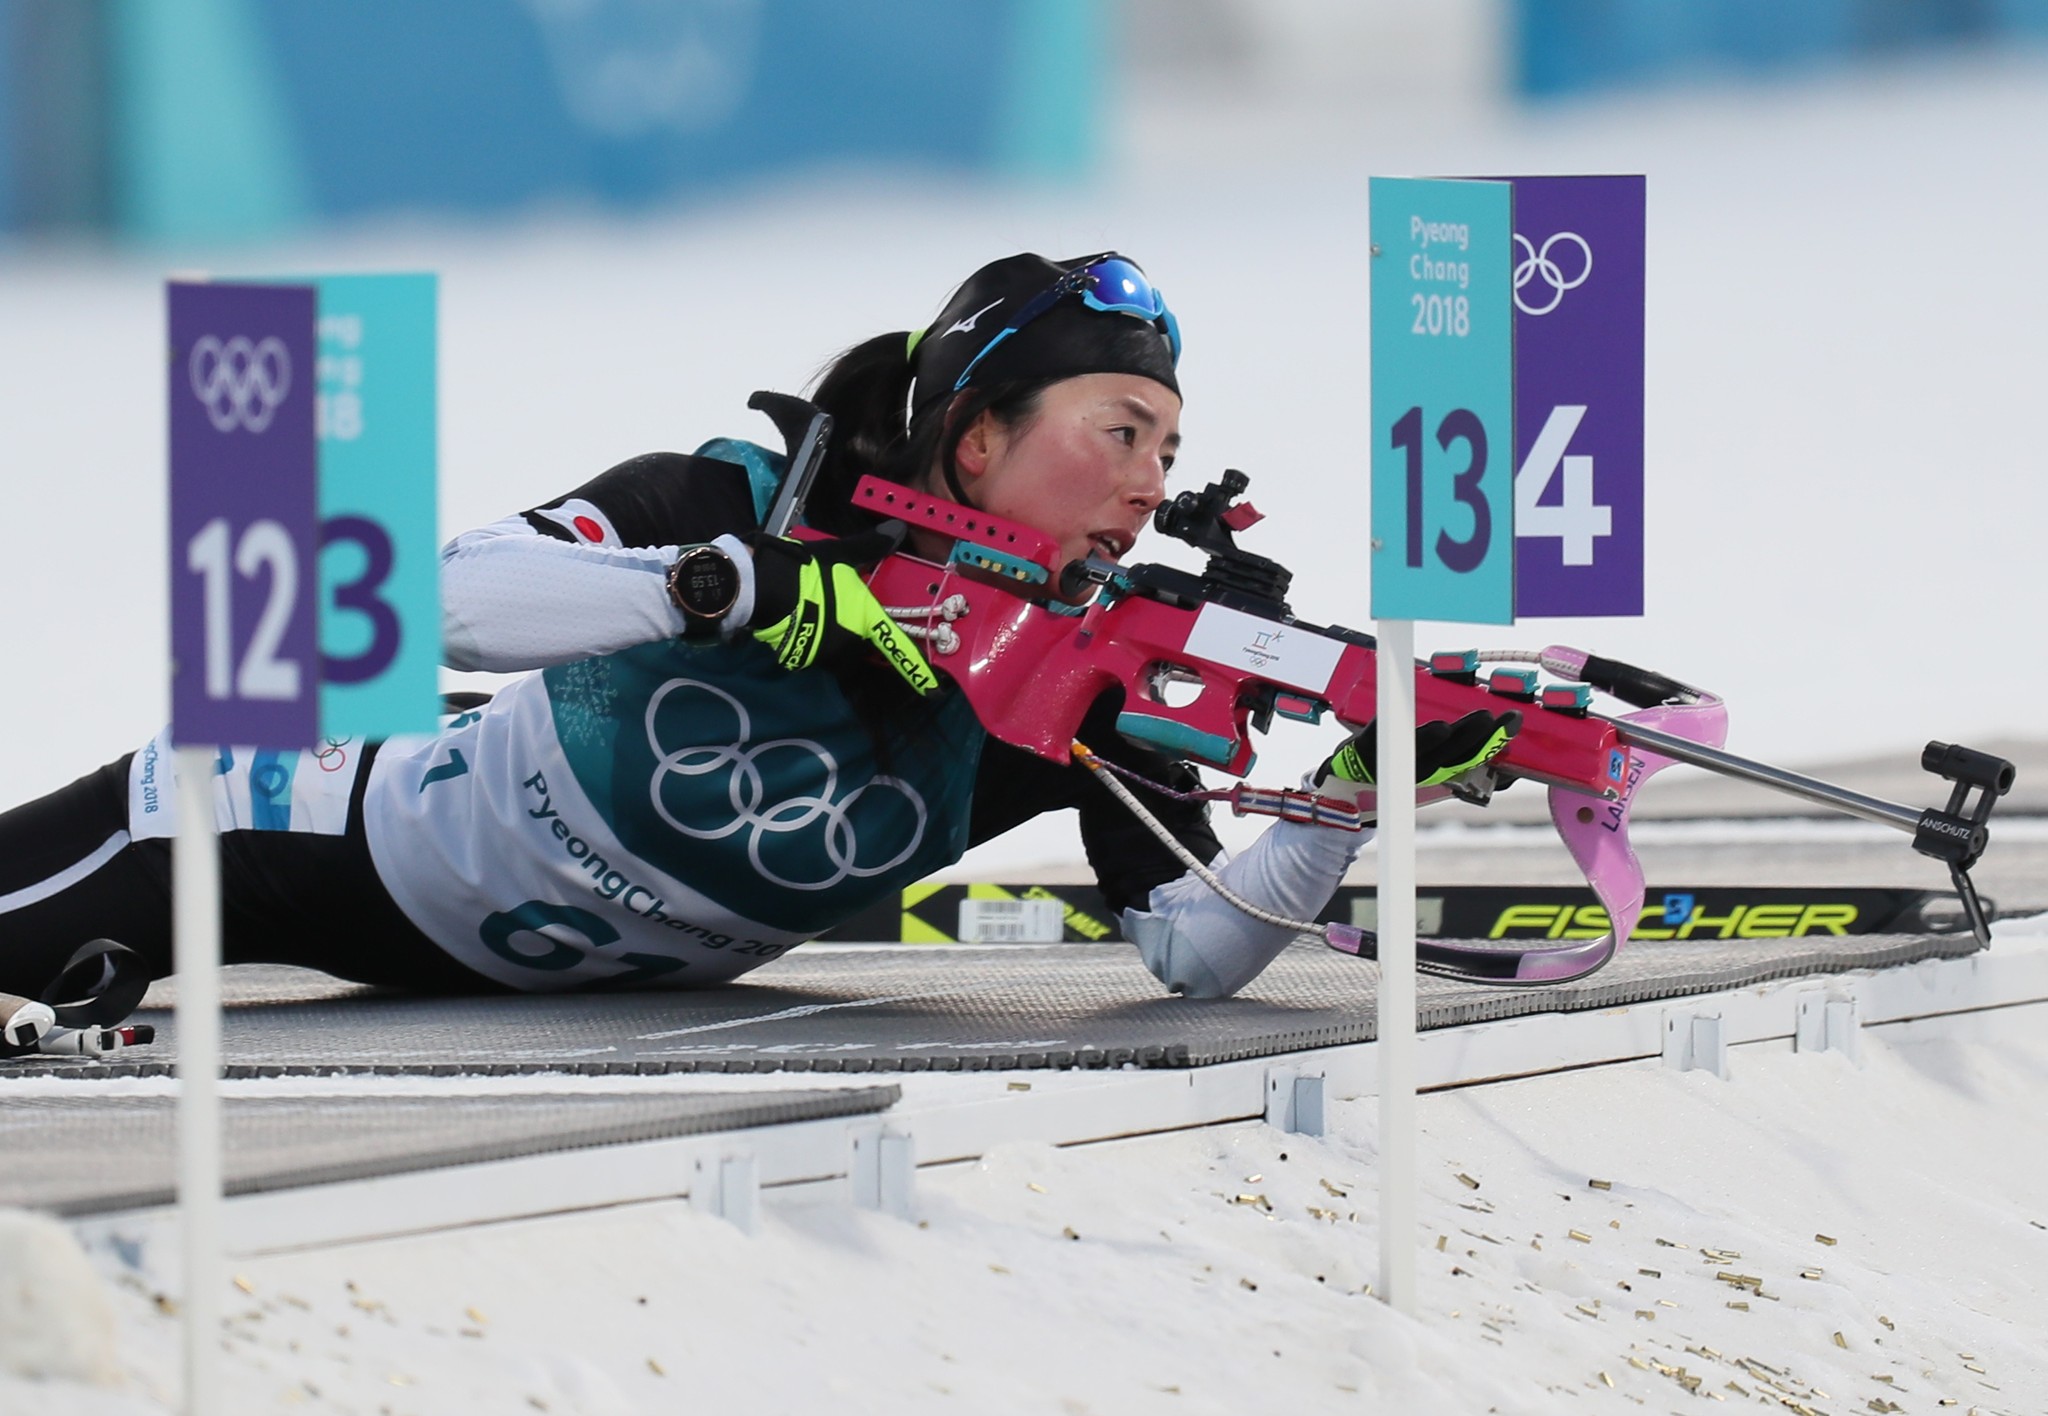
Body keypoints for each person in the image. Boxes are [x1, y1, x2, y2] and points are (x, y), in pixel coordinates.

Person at [0, 251, 1516, 1034]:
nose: (1150, 483)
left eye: (1170, 449)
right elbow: (429, 599)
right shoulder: (745, 496)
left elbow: (1193, 953)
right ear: (976, 441)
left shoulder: (1084, 683)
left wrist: (1341, 800)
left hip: (528, 991)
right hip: (290, 831)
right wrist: (730, 591)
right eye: (1119, 431)